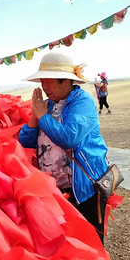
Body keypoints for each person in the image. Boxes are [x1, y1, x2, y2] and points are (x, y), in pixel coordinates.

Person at [18, 52, 109, 244]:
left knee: (90, 241)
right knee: (65, 243)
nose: (44, 86)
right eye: (42, 81)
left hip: (83, 188)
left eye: (49, 81)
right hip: (54, 190)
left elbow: (69, 138)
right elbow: (25, 142)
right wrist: (35, 116)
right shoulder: (47, 105)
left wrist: (43, 117)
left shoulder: (82, 103)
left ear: (67, 81)